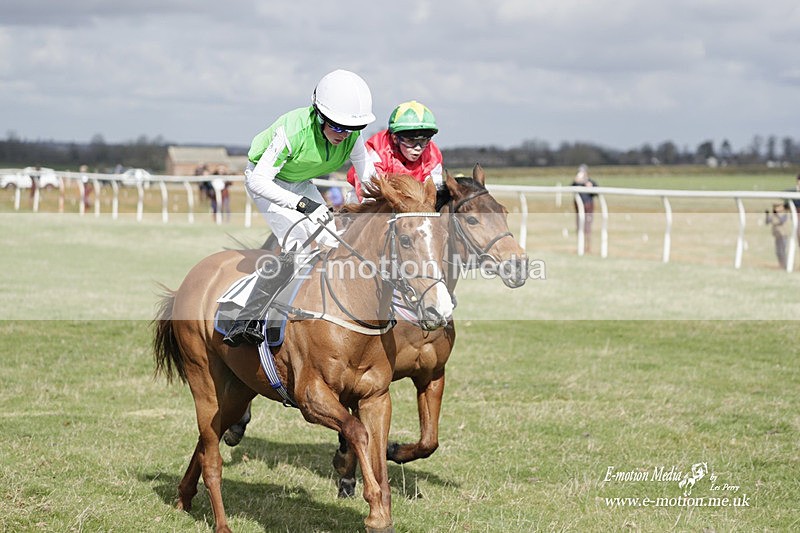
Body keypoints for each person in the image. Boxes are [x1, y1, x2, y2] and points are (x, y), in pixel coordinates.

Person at [223, 69, 377, 347]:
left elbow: (368, 179)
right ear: (320, 116)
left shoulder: (352, 136)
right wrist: (302, 204)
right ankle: (246, 319)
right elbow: (258, 181)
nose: (344, 135)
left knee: (334, 242)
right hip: (267, 181)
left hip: (300, 183)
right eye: (338, 127)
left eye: (351, 128)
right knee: (297, 246)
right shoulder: (292, 130)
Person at [345, 100, 442, 201]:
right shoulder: (377, 150)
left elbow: (434, 193)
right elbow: (370, 189)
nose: (418, 147)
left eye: (423, 140)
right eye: (411, 141)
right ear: (395, 138)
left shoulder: (432, 154)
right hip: (369, 196)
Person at [572, 164, 598, 253]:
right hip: (579, 209)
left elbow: (596, 192)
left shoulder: (591, 182)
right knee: (579, 227)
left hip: (588, 207)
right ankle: (580, 246)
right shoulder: (576, 182)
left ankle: (588, 247)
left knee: (587, 228)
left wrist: (589, 186)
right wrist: (577, 181)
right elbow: (572, 186)